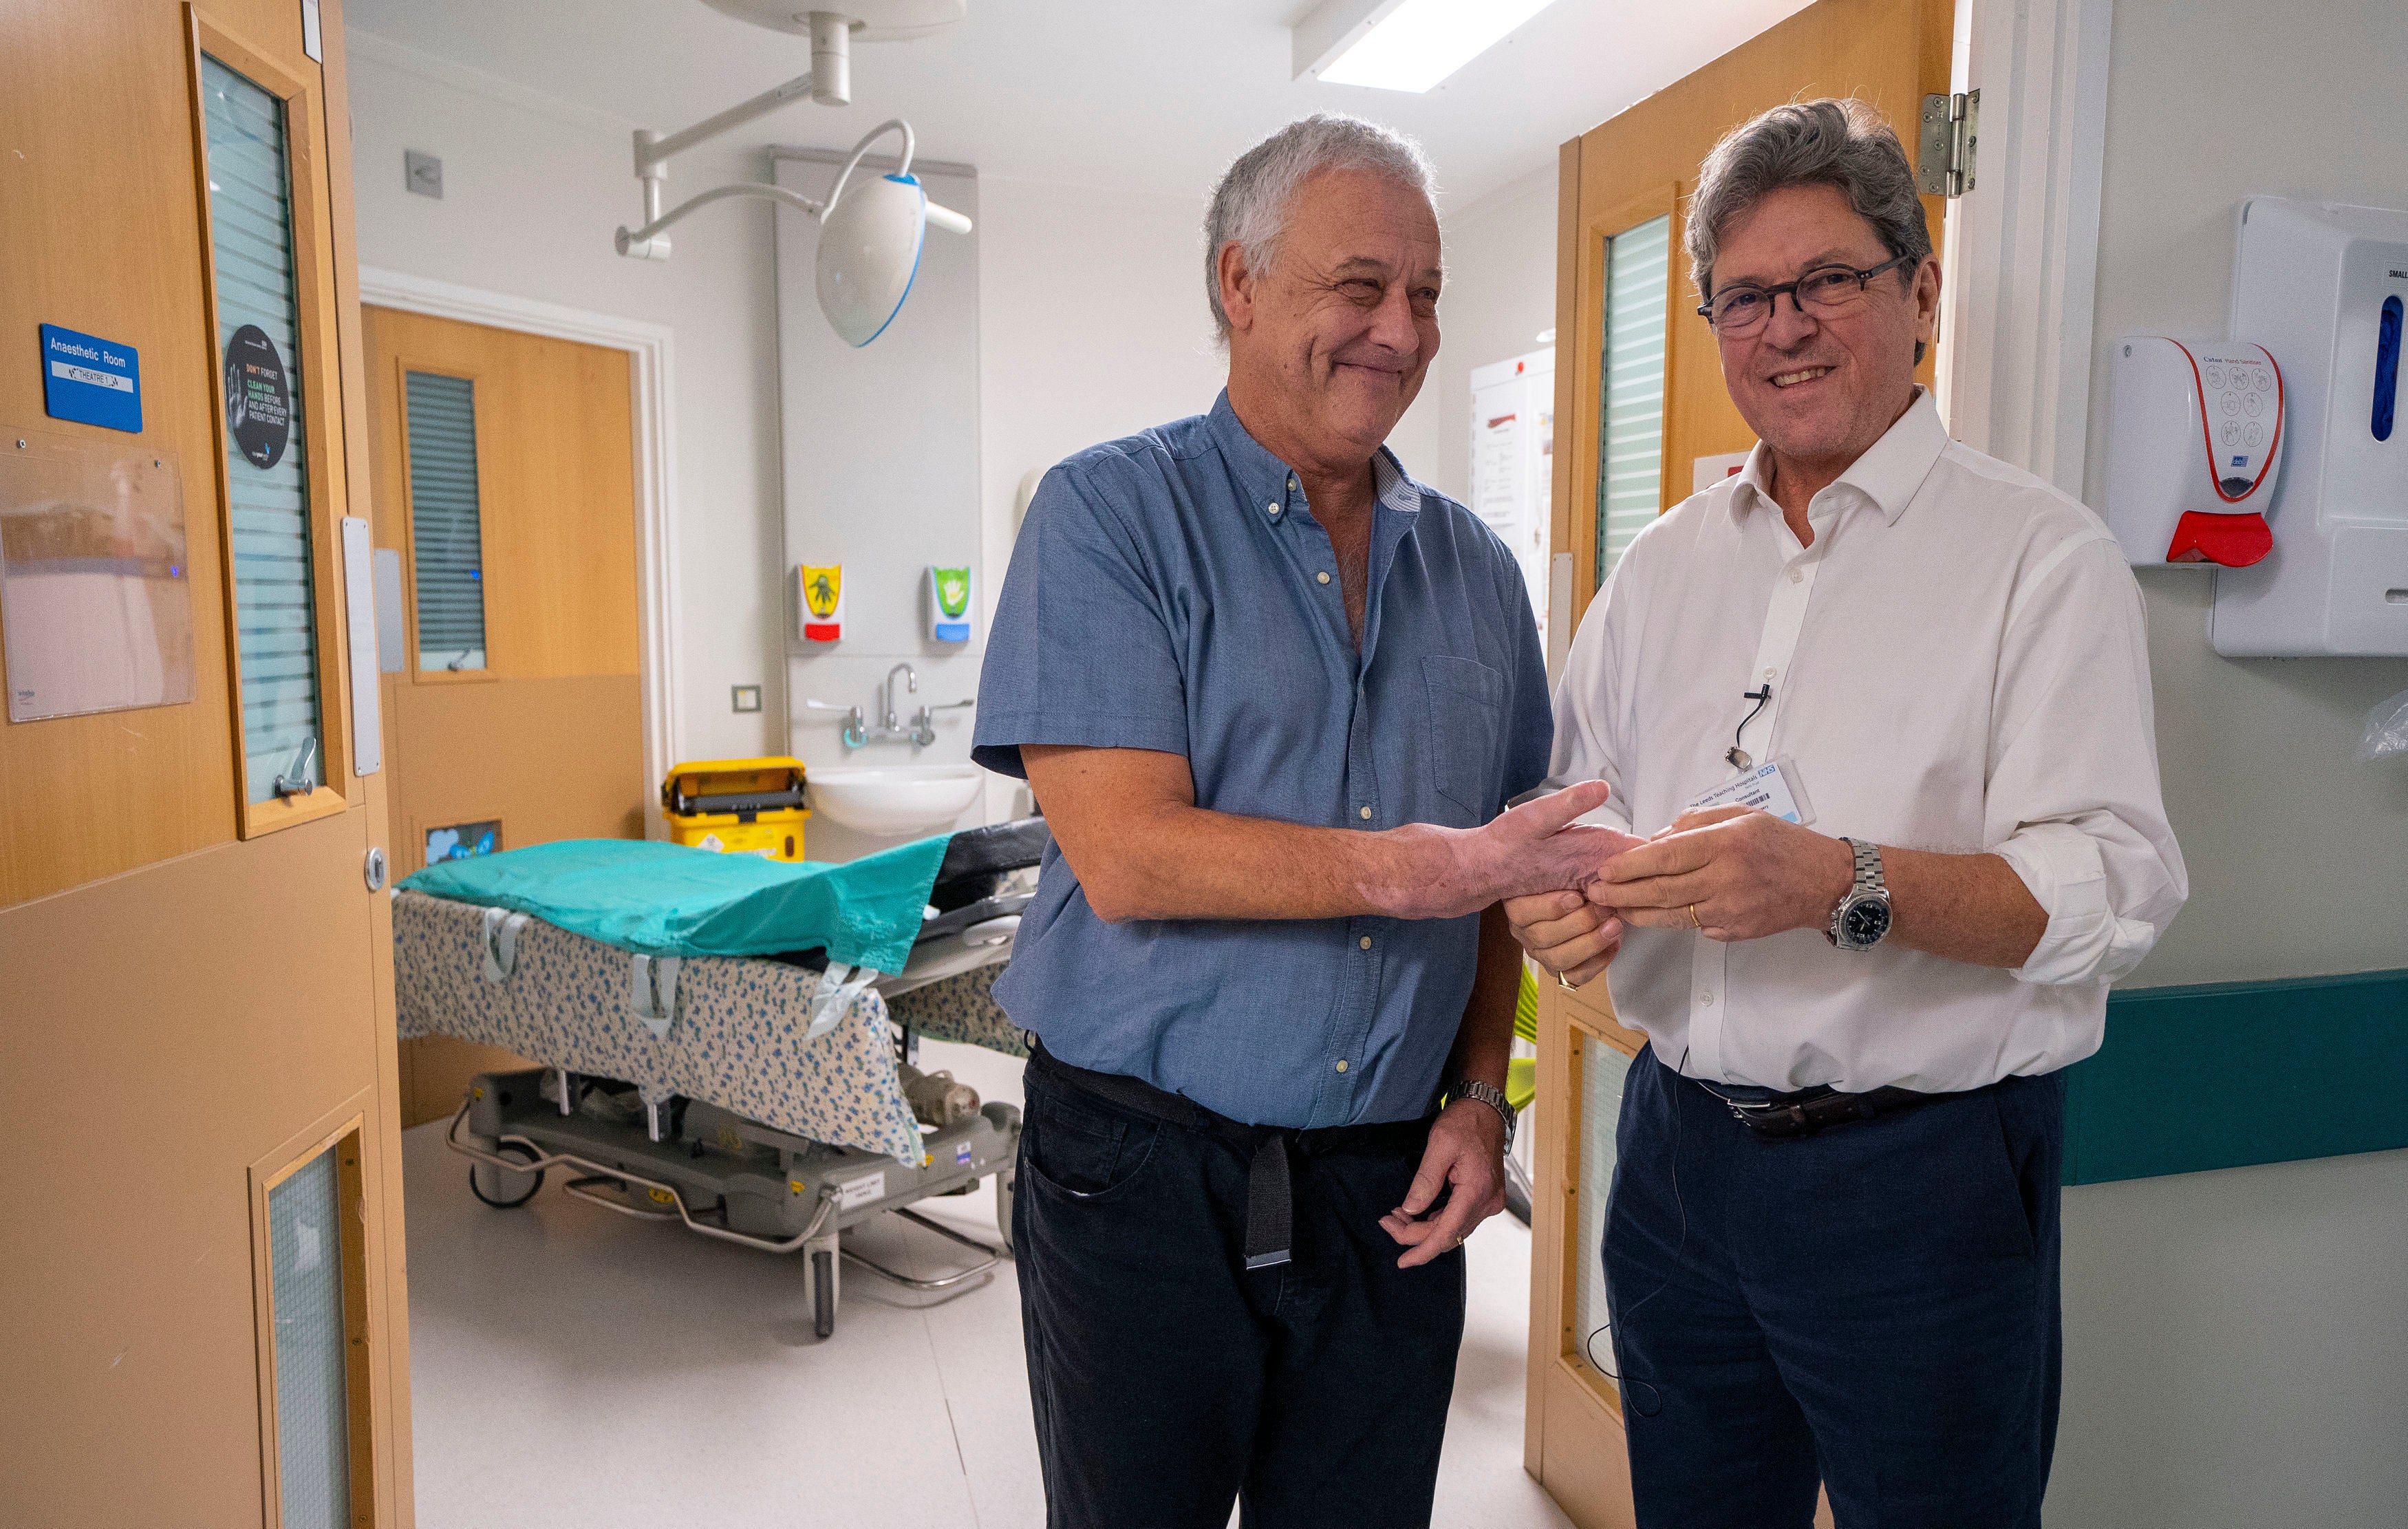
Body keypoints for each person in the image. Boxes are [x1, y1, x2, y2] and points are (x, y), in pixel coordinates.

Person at [1507, 98, 2188, 1526]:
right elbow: (1572, 808)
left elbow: (2112, 889)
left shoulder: (2039, 562)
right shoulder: (1665, 567)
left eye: (1827, 280)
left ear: (1920, 291)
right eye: (1743, 298)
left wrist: (1836, 879)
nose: (1785, 327)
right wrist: (1555, 892)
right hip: (1679, 1161)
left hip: (1919, 1183)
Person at [973, 114, 1632, 1528]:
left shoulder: (1476, 574)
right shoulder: (1109, 517)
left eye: (1427, 294)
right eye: (1358, 285)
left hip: (1386, 1183)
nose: (1398, 329)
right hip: (1139, 1173)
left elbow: (1499, 870)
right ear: (1240, 284)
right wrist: (1424, 868)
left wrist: (1476, 1096)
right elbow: (1130, 853)